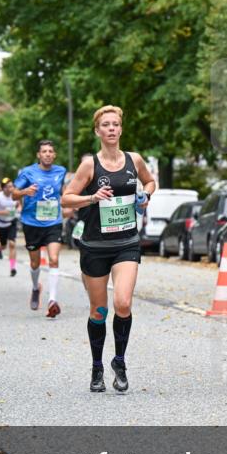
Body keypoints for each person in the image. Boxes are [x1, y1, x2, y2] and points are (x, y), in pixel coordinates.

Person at [61, 106, 156, 393]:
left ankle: (120, 362)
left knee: (123, 304)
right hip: (94, 246)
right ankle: (96, 366)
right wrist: (92, 197)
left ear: (121, 130)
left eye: (116, 124)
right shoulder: (90, 165)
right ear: (98, 131)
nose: (112, 129)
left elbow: (150, 181)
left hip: (126, 243)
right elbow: (66, 199)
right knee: (99, 310)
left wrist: (145, 195)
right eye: (106, 125)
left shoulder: (134, 160)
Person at [13, 140, 68, 318]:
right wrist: (24, 192)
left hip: (53, 222)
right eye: (44, 151)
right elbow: (13, 193)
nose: (47, 154)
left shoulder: (61, 171)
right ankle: (36, 288)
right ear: (38, 154)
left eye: (50, 151)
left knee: (53, 259)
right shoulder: (27, 172)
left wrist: (68, 202)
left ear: (54, 155)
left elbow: (64, 192)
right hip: (32, 222)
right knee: (35, 263)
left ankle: (52, 300)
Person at [0, 177, 20, 276]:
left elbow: (19, 205)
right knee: (3, 246)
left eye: (11, 186)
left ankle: (12, 268)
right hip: (1, 223)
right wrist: (2, 212)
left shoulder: (16, 195)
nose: (10, 188)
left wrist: (19, 209)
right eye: (7, 187)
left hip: (12, 222)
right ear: (3, 188)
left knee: (12, 244)